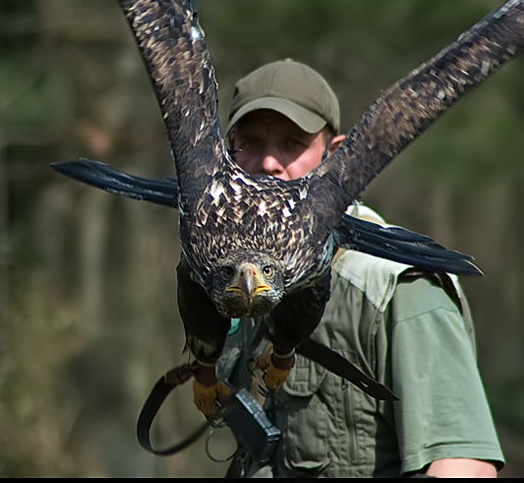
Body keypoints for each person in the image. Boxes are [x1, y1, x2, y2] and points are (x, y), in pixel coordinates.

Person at [216, 59, 504, 477]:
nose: (269, 164)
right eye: (252, 144)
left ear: (336, 158)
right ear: (228, 156)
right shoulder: (236, 280)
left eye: (293, 144)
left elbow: (461, 466)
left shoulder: (396, 285)